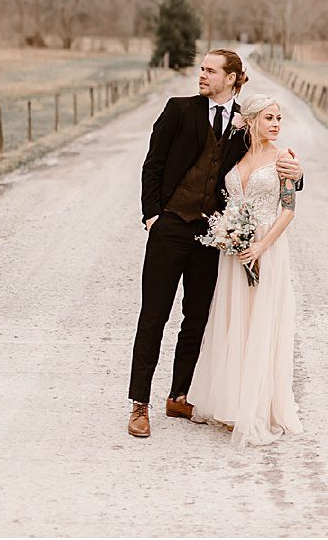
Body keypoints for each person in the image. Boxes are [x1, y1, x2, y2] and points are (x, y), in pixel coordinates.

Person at [126, 50, 302, 439]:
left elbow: (269, 165)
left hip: (213, 237)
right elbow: (152, 164)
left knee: (197, 318)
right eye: (202, 69)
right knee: (154, 316)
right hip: (170, 227)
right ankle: (139, 404)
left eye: (210, 70)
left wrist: (298, 172)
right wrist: (152, 216)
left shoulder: (245, 122)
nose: (202, 75)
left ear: (233, 77)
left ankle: (179, 394)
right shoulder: (179, 110)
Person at [187, 94, 303, 446]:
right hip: (234, 251)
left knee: (260, 322)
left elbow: (289, 209)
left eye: (279, 118)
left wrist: (261, 246)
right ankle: (230, 403)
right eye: (269, 118)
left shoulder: (284, 159)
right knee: (233, 320)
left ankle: (257, 406)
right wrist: (229, 235)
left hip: (266, 248)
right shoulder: (236, 157)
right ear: (251, 120)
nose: (276, 124)